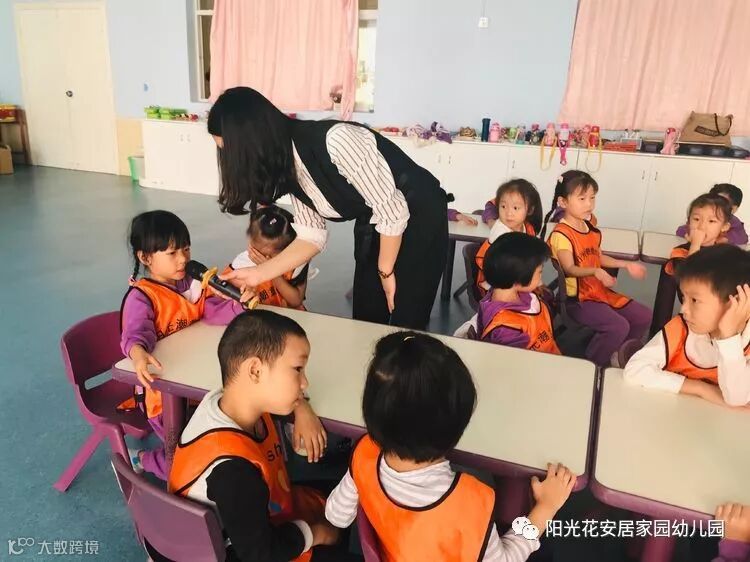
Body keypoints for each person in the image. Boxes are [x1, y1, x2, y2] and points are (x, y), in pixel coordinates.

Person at [209, 87, 449, 330]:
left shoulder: (336, 140)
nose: (230, 163)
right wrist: (257, 274)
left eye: (229, 152)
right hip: (376, 220)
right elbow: (311, 236)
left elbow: (392, 210)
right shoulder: (288, 165)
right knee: (367, 317)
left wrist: (385, 271)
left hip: (418, 215)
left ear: (251, 141)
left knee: (405, 318)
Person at [324, 331, 577, 561]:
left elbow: (337, 516)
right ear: (458, 427)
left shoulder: (364, 453)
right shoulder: (468, 504)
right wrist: (545, 509)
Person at [167, 310, 349, 562]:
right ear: (255, 371)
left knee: (341, 500)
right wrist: (317, 533)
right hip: (240, 550)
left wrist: (301, 406)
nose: (305, 382)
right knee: (340, 524)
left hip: (257, 514)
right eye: (298, 369)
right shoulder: (232, 471)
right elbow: (260, 555)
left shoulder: (229, 399)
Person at [119, 210, 243, 479]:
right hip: (161, 396)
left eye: (186, 249)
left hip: (198, 382)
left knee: (228, 435)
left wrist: (239, 304)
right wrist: (138, 353)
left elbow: (212, 311)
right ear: (145, 258)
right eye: (172, 253)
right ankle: (144, 460)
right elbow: (135, 333)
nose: (183, 259)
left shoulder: (192, 283)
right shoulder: (142, 297)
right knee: (190, 461)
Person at [544, 170, 651, 366]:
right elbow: (569, 268)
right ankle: (592, 365)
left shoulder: (588, 227)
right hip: (578, 300)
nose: (589, 204)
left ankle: (617, 354)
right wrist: (596, 271)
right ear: (563, 202)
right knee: (618, 326)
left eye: (592, 198)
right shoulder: (561, 234)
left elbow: (597, 256)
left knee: (643, 316)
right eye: (582, 198)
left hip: (598, 292)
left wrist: (625, 264)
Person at [624, 245, 750, 407]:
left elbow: (737, 398)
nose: (683, 309)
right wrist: (701, 389)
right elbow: (635, 369)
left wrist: (729, 339)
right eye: (684, 297)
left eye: (694, 300)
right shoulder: (681, 328)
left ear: (735, 302)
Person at [473, 232, 560, 354]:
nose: (541, 277)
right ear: (519, 276)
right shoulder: (507, 330)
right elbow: (517, 363)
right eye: (539, 272)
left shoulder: (519, 294)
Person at [224, 206, 309, 309]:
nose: (267, 257)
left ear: (288, 248)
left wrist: (269, 270)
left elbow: (296, 300)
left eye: (272, 255)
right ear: (250, 240)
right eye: (261, 253)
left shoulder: (297, 260)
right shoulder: (240, 267)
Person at [475, 179, 543, 294]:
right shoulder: (501, 233)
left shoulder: (528, 228)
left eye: (515, 208)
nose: (508, 213)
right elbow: (509, 268)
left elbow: (532, 259)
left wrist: (537, 282)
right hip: (496, 286)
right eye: (503, 206)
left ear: (530, 210)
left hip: (518, 280)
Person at [665, 193, 732, 276]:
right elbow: (689, 276)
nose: (701, 227)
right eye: (696, 219)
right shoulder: (680, 252)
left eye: (711, 221)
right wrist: (695, 245)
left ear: (724, 227)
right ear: (688, 222)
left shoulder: (723, 254)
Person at [677, 183, 748, 245]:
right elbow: (680, 231)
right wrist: (690, 234)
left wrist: (726, 239)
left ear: (733, 208)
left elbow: (743, 238)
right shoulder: (700, 215)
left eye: (722, 203)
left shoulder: (734, 221)